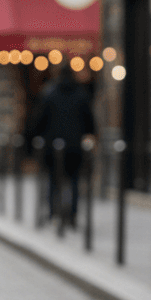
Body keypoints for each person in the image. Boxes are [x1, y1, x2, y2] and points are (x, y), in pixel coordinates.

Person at [31, 60, 95, 223]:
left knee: (53, 179)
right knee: (73, 180)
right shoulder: (81, 94)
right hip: (74, 146)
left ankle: (53, 212)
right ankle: (72, 214)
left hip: (53, 145)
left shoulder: (50, 93)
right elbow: (90, 122)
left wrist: (38, 137)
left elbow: (40, 120)